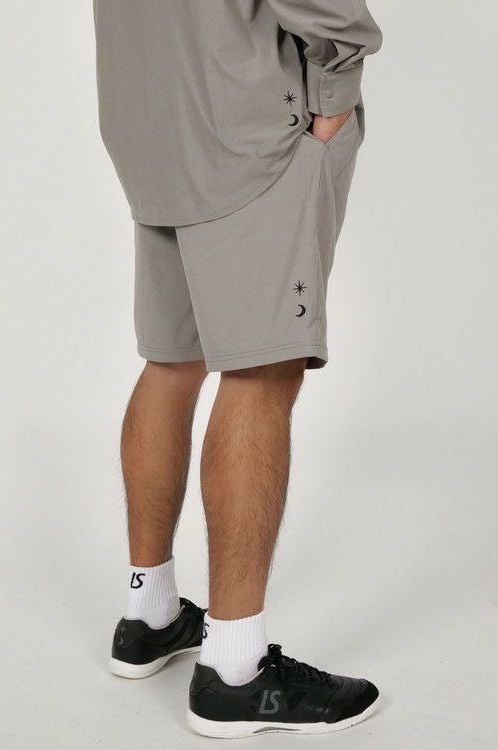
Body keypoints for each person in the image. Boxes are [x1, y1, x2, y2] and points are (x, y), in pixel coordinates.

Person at [94, 0, 382, 738]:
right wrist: (335, 98)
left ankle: (149, 614)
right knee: (262, 374)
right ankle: (235, 672)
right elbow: (333, 16)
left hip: (153, 129)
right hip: (247, 134)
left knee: (172, 361)